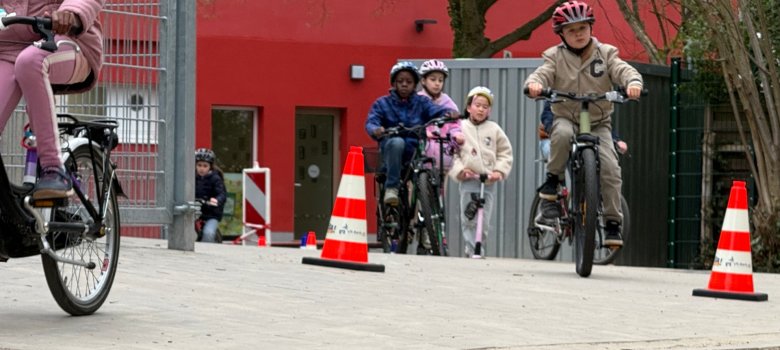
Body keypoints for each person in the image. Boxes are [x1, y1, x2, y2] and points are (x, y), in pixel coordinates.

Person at [524, 0, 642, 247]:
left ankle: (612, 222)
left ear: (591, 28)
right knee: (562, 134)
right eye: (571, 30)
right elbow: (542, 74)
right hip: (567, 116)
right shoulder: (555, 57)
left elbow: (623, 70)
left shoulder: (606, 53)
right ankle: (553, 179)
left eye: (582, 28)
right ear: (562, 35)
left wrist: (633, 84)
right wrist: (534, 85)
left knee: (610, 167)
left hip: (599, 122)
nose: (578, 35)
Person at [0, 1, 105, 199]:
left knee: (30, 62)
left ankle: (53, 168)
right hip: (7, 48)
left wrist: (71, 13)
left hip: (63, 38)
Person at [365, 61, 459, 206]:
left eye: (408, 82)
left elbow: (435, 111)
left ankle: (427, 207)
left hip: (415, 150)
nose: (404, 84)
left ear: (415, 84)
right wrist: (376, 129)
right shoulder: (382, 103)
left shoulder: (422, 102)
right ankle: (392, 188)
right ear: (394, 83)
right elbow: (372, 122)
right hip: (391, 150)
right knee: (398, 142)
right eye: (400, 81)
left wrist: (449, 114)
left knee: (426, 154)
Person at [449, 86, 513, 258]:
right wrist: (461, 170)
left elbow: (505, 152)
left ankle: (479, 247)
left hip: (487, 181)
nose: (481, 109)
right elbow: (452, 154)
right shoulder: (460, 127)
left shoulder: (494, 129)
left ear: (489, 110)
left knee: (483, 220)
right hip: (469, 179)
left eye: (485, 107)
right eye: (477, 105)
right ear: (469, 107)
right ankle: (471, 250)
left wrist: (499, 171)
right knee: (468, 217)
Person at [417, 59, 464, 172]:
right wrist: (422, 132)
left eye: (440, 80)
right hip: (421, 153)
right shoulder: (417, 100)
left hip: (443, 154)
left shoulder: (447, 102)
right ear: (423, 81)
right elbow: (411, 121)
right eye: (433, 79)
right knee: (415, 185)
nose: (437, 83)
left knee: (441, 187)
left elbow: (455, 124)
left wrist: (457, 135)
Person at [538, 101, 627, 159]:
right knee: (556, 154)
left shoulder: (593, 97)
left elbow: (602, 124)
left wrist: (616, 140)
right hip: (552, 138)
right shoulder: (559, 88)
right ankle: (556, 181)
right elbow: (547, 115)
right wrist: (551, 129)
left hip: (582, 138)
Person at [195, 148, 226, 243]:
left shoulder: (215, 178)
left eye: (205, 166)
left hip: (211, 214)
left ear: (210, 167)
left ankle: (207, 253)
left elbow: (222, 194)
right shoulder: (191, 176)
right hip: (194, 212)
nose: (202, 168)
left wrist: (217, 200)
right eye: (199, 165)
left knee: (208, 233)